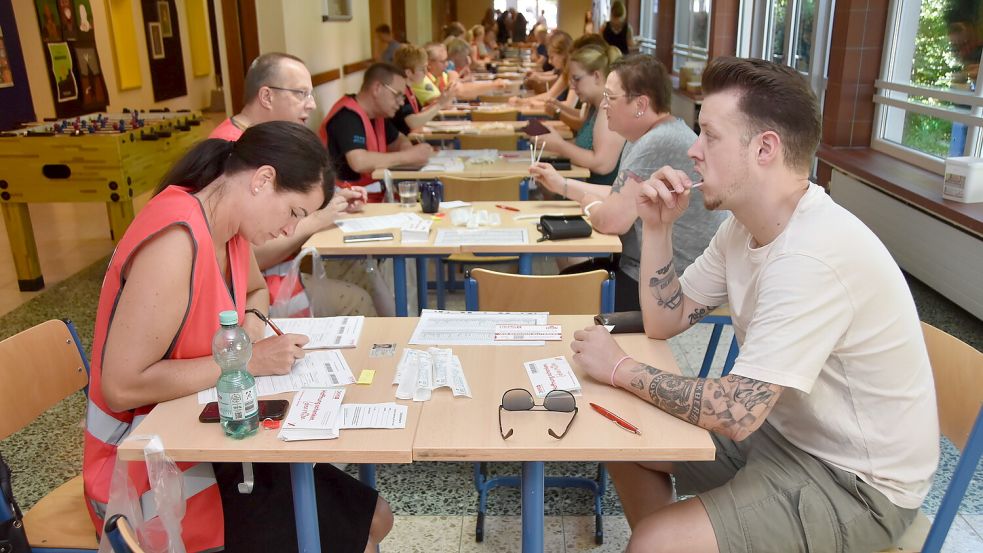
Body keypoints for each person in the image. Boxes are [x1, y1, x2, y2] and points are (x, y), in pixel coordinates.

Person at [571, 57, 939, 553]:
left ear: (765, 148)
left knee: (655, 540)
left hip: (858, 482)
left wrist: (620, 369)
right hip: (782, 433)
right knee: (623, 438)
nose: (693, 151)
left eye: (710, 136)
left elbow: (735, 412)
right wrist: (657, 228)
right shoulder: (744, 225)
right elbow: (665, 320)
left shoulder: (813, 254)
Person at [82, 122, 394, 553]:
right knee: (356, 538)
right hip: (151, 465)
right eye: (294, 213)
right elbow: (121, 387)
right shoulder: (175, 242)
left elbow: (255, 291)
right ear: (263, 180)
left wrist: (245, 335)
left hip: (211, 431)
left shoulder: (227, 226)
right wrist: (246, 361)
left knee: (377, 517)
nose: (290, 231)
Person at [530, 54, 724, 310]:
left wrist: (588, 204)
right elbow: (620, 194)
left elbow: (611, 220)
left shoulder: (658, 141)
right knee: (560, 288)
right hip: (653, 270)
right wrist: (562, 185)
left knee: (555, 297)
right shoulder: (653, 135)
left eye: (610, 97)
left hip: (670, 282)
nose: (604, 106)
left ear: (640, 104)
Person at [207, 53, 376, 318]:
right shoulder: (232, 153)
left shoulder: (263, 141)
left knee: (361, 270)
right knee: (358, 298)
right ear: (266, 96)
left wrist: (329, 200)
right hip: (250, 297)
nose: (311, 105)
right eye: (301, 94)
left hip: (278, 274)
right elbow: (250, 256)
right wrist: (319, 217)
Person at [321, 62, 433, 203]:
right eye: (397, 95)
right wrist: (408, 156)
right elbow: (359, 162)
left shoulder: (377, 115)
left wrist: (407, 149)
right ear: (377, 88)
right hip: (348, 203)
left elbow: (400, 139)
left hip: (375, 196)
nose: (400, 103)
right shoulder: (346, 116)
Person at [535, 44, 625, 186]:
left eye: (576, 79)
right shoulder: (593, 107)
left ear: (596, 76)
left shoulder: (607, 107)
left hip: (603, 197)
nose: (572, 86)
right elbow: (584, 148)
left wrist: (559, 145)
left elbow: (602, 165)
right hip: (588, 189)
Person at [391, 44, 456, 135]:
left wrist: (440, 101)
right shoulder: (401, 92)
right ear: (409, 73)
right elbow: (413, 123)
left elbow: (420, 112)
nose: (426, 72)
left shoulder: (409, 89)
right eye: (422, 69)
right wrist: (440, 104)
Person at [411, 42, 456, 107]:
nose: (447, 64)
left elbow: (453, 74)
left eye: (447, 60)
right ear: (428, 63)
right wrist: (454, 88)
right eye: (443, 61)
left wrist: (453, 81)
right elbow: (444, 103)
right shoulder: (421, 79)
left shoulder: (441, 74)